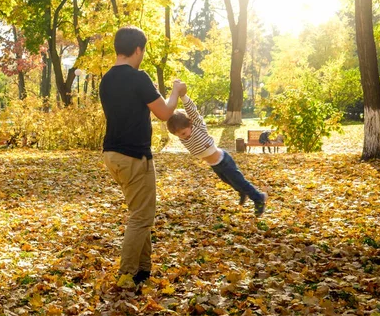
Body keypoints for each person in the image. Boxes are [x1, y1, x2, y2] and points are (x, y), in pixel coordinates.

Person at [100, 25, 187, 288]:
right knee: (140, 217)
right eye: (143, 51)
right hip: (134, 156)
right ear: (137, 49)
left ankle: (143, 269)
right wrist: (176, 91)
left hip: (112, 155)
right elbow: (165, 113)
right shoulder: (139, 78)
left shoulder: (106, 80)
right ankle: (127, 274)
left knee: (141, 212)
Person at [166, 94, 267, 217]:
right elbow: (169, 115)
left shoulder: (199, 127)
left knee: (239, 181)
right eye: (180, 135)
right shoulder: (183, 138)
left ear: (190, 124)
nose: (183, 136)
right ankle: (242, 192)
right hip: (215, 165)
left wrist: (183, 96)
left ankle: (259, 198)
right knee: (228, 181)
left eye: (184, 133)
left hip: (224, 160)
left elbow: (192, 111)